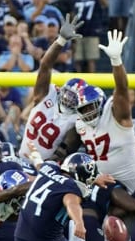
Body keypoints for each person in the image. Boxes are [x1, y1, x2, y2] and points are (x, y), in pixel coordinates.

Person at [75, 29, 135, 194]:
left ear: (101, 103)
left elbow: (122, 89)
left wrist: (116, 61)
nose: (87, 112)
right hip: (106, 183)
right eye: (84, 109)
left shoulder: (114, 112)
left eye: (91, 107)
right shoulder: (79, 123)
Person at [18, 13, 85, 163]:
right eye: (68, 93)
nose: (69, 99)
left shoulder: (76, 120)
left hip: (43, 168)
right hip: (21, 159)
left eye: (74, 96)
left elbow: (63, 153)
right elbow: (45, 65)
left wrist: (42, 167)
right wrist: (60, 41)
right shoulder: (48, 93)